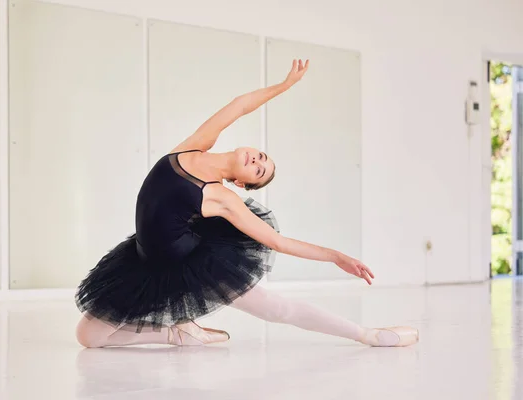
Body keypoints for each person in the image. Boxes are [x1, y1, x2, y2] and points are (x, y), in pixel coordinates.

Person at [74, 59, 419, 348]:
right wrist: (284, 85)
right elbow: (239, 106)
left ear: (241, 184)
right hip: (144, 259)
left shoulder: (220, 196)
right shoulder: (194, 146)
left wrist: (337, 256)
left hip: (190, 264)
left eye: (259, 170)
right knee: (88, 336)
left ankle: (369, 335)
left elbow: (277, 242)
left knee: (275, 309)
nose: (257, 160)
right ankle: (175, 333)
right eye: (262, 157)